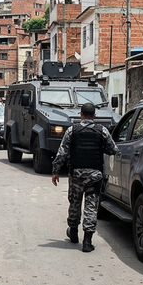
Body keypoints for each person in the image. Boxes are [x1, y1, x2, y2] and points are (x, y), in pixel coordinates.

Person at [51, 103, 118, 253]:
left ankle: (73, 232)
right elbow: (113, 149)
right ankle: (87, 241)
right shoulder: (102, 130)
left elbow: (62, 152)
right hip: (94, 174)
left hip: (76, 174)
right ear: (94, 116)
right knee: (91, 206)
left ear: (80, 114)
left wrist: (55, 170)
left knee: (74, 202)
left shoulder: (72, 130)